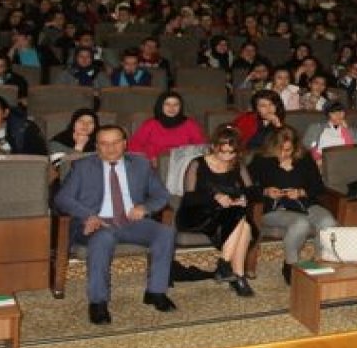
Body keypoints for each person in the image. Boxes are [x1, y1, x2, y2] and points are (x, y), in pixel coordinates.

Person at [54, 124, 177, 324]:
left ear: (124, 144)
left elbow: (161, 194)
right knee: (104, 237)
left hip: (130, 221)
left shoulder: (141, 164)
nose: (110, 149)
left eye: (115, 143)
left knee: (165, 232)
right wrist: (88, 215)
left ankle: (155, 292)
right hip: (96, 224)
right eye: (104, 144)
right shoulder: (83, 167)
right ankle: (98, 303)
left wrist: (145, 208)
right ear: (97, 146)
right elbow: (63, 198)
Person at [249, 127, 338, 285]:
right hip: (276, 208)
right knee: (301, 223)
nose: (284, 154)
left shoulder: (304, 159)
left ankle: (318, 262)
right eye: (280, 150)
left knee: (329, 223)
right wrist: (266, 191)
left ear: (295, 147)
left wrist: (301, 192)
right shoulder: (261, 160)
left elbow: (318, 187)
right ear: (272, 147)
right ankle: (291, 265)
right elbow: (247, 188)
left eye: (288, 150)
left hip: (305, 204)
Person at [176, 127, 255, 297]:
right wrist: (215, 197)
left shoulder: (237, 166)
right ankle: (231, 271)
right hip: (197, 214)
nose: (227, 156)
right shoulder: (198, 164)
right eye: (223, 152)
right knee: (242, 222)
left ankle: (232, 271)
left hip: (227, 213)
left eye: (231, 153)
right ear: (213, 146)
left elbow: (252, 190)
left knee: (243, 221)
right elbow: (189, 197)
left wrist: (243, 198)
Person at [128, 91, 207, 167]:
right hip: (154, 165)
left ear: (180, 107)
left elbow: (201, 146)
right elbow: (134, 145)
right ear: (161, 106)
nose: (172, 108)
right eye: (167, 104)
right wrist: (150, 156)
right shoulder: (150, 124)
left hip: (183, 165)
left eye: (176, 104)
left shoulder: (190, 124)